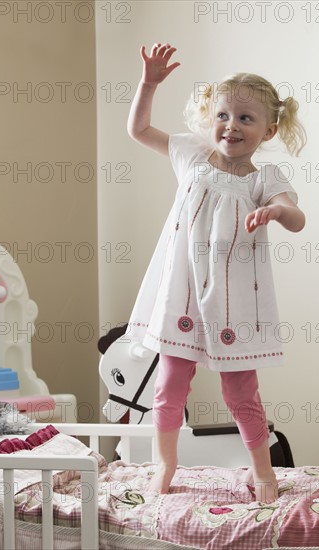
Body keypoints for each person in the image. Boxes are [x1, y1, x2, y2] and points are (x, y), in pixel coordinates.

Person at [126, 42, 306, 503]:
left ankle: (262, 470)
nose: (231, 126)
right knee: (168, 386)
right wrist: (148, 83)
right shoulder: (191, 154)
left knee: (242, 392)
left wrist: (275, 214)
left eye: (246, 118)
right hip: (182, 296)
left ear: (269, 130)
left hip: (234, 302)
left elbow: (295, 215)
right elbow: (140, 129)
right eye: (223, 115)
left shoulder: (265, 179)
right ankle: (165, 463)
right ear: (211, 119)